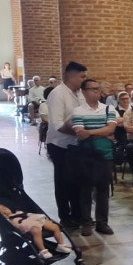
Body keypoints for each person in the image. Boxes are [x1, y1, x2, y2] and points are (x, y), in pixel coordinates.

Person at [70, 79, 117, 236]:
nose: (96, 91)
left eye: (98, 88)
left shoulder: (108, 109)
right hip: (86, 155)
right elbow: (80, 133)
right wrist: (103, 133)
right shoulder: (78, 111)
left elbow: (111, 128)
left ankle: (102, 223)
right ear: (84, 92)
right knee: (85, 189)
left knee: (103, 189)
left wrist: (90, 132)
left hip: (105, 154)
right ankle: (86, 222)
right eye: (92, 89)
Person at [46, 61, 88, 229]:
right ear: (71, 76)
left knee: (78, 181)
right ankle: (65, 217)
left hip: (76, 144)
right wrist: (80, 133)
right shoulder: (58, 94)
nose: (84, 80)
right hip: (59, 144)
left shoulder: (80, 94)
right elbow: (57, 124)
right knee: (63, 182)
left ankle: (78, 215)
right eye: (82, 76)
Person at [0, 202, 71, 260]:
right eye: (1, 213)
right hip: (27, 226)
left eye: (4, 209)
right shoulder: (9, 221)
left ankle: (61, 245)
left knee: (55, 227)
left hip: (35, 221)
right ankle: (43, 250)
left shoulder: (18, 212)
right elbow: (13, 226)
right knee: (37, 231)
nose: (4, 212)